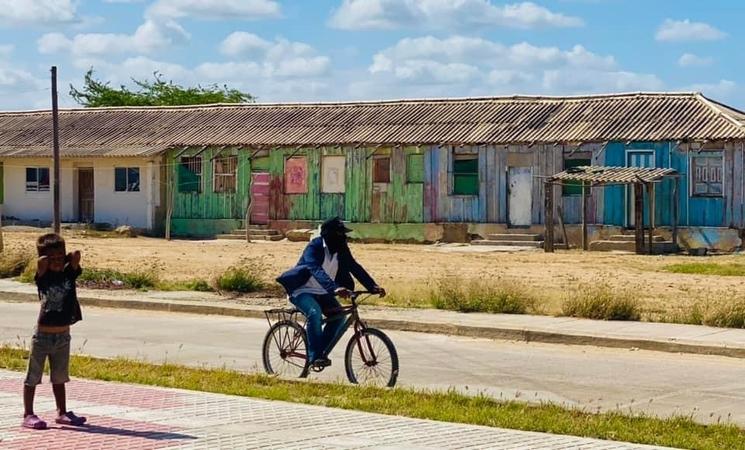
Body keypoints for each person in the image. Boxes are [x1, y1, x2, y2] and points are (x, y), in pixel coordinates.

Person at [277, 217, 385, 369]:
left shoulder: (341, 249)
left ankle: (320, 352)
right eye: (340, 235)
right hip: (302, 291)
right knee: (315, 313)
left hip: (323, 292)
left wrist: (373, 286)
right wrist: (334, 288)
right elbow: (316, 269)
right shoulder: (314, 247)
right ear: (329, 235)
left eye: (344, 235)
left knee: (338, 319)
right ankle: (314, 356)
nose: (344, 238)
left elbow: (354, 267)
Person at [22, 233, 87, 430]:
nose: (58, 261)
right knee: (33, 376)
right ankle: (28, 414)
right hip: (42, 336)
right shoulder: (43, 277)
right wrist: (47, 260)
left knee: (60, 377)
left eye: (60, 256)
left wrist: (65, 258)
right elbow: (41, 263)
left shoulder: (69, 273)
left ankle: (62, 412)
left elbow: (76, 254)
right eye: (53, 258)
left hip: (63, 336)